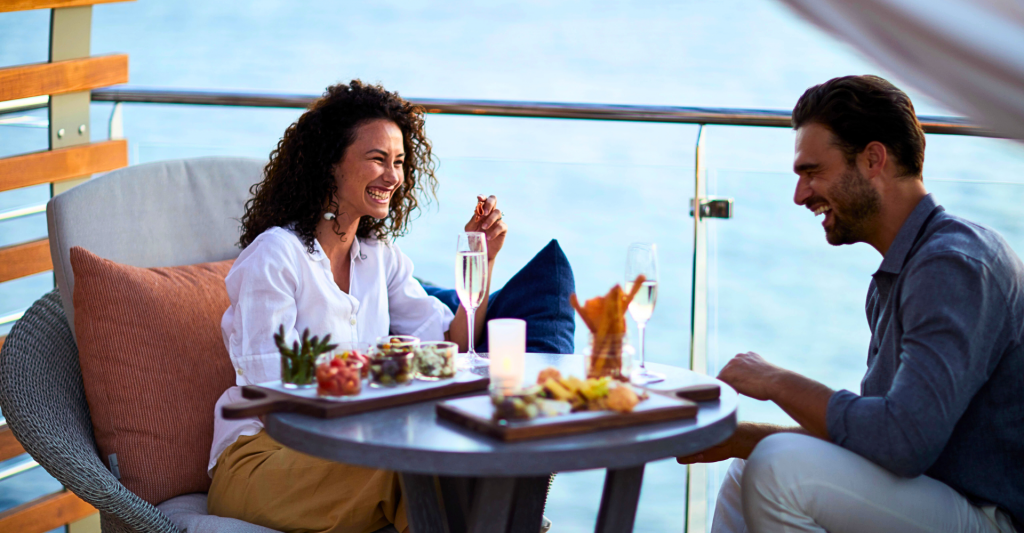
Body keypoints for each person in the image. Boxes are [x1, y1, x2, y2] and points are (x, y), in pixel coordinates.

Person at [679, 75, 1024, 533]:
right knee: (752, 461)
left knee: (779, 469)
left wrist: (775, 381)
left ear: (873, 159)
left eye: (812, 172)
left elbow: (904, 442)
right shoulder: (905, 269)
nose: (800, 195)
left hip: (992, 517)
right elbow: (876, 436)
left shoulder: (952, 267)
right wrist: (741, 437)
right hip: (939, 495)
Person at [206, 80, 508, 533]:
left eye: (401, 162)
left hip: (349, 453)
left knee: (459, 466)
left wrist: (479, 263)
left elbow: (449, 346)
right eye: (378, 159)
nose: (394, 176)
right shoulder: (276, 255)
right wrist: (382, 388)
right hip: (261, 459)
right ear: (330, 163)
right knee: (416, 465)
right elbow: (277, 396)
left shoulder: (378, 257)